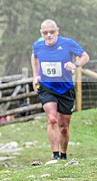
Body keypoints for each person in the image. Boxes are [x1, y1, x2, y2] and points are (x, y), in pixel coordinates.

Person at [30, 19, 90, 160]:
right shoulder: (37, 45)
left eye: (52, 32)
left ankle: (63, 154)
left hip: (65, 88)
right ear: (41, 33)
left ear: (57, 31)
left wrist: (75, 64)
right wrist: (35, 76)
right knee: (52, 119)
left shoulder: (67, 43)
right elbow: (34, 57)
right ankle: (55, 155)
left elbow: (85, 56)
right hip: (47, 87)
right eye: (45, 32)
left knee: (64, 127)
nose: (49, 35)